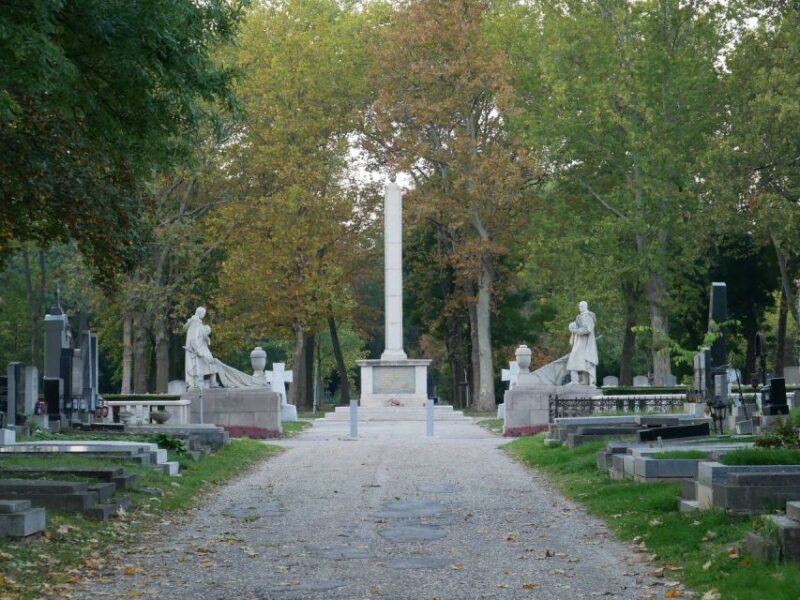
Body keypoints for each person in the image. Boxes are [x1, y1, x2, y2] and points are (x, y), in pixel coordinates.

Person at [566, 301, 598, 386]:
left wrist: (576, 330)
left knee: (575, 359)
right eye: (579, 306)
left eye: (581, 306)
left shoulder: (588, 316)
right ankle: (582, 381)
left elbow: (587, 329)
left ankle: (577, 381)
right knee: (581, 361)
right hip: (579, 341)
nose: (579, 308)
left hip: (584, 343)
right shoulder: (580, 316)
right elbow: (577, 326)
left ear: (585, 306)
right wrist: (572, 326)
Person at [184, 307, 215, 388]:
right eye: (203, 314)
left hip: (197, 349)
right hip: (195, 350)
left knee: (200, 369)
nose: (204, 315)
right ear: (200, 313)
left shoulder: (197, 322)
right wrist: (197, 350)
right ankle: (195, 386)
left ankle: (196, 385)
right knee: (197, 370)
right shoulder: (195, 322)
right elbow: (193, 338)